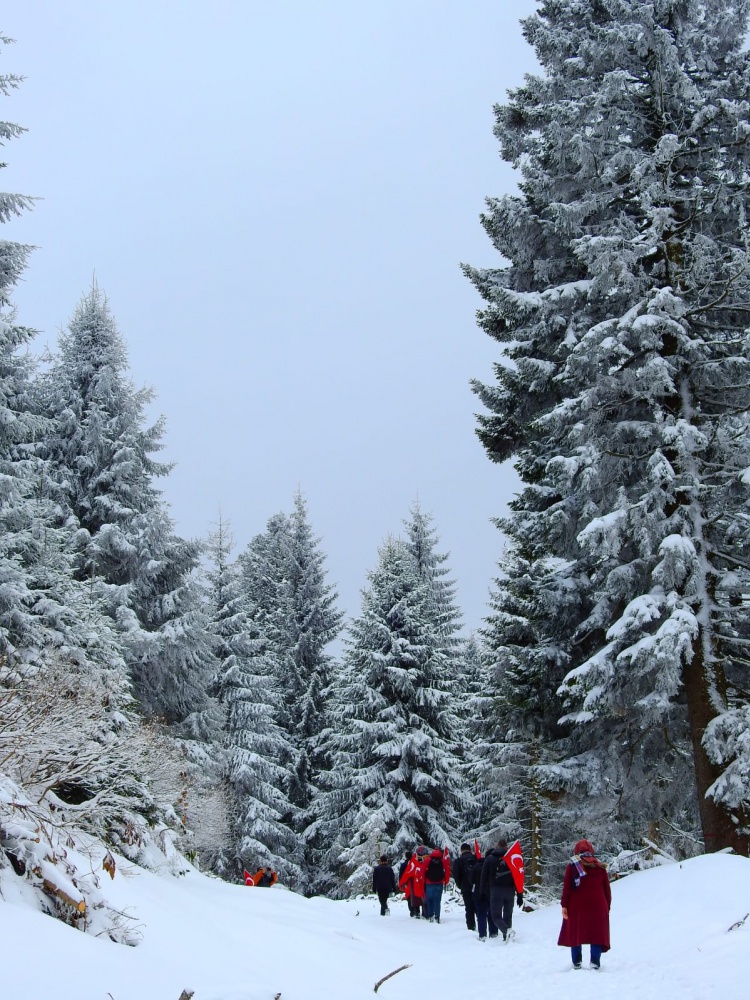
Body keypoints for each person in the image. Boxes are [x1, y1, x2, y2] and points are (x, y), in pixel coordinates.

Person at [558, 839, 611, 970]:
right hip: (598, 905)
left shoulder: (573, 866)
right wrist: (607, 906)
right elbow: (607, 889)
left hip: (577, 906)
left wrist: (564, 905)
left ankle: (576, 962)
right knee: (596, 933)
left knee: (576, 932)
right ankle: (595, 962)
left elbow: (567, 888)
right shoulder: (600, 867)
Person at [480, 839, 523, 942]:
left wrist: (482, 892)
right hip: (510, 890)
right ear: (506, 847)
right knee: (508, 915)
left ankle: (506, 931)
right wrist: (520, 895)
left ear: (497, 846)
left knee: (496, 916)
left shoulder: (490, 859)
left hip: (496, 890)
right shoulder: (511, 858)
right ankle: (507, 938)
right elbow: (518, 876)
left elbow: (483, 877)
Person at [471, 852, 498, 941]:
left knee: (481, 914)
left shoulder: (476, 866)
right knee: (492, 913)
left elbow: (471, 880)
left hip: (478, 892)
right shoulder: (492, 866)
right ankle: (493, 933)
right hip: (490, 892)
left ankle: (482, 934)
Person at [453, 843, 479, 931]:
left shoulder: (458, 861)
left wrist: (460, 885)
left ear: (461, 851)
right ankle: (482, 926)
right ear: (470, 850)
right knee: (478, 907)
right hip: (477, 887)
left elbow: (456, 875)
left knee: (469, 908)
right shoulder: (476, 859)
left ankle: (471, 927)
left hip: (465, 887)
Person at [422, 848, 451, 924]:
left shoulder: (427, 860)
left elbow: (422, 871)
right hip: (439, 883)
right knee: (437, 901)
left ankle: (431, 915)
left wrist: (424, 880)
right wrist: (446, 880)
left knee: (429, 900)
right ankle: (437, 916)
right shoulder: (443, 861)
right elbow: (447, 871)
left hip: (429, 883)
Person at [398, 848, 426, 918]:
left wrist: (402, 883)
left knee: (410, 897)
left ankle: (413, 911)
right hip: (417, 882)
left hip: (410, 883)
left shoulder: (406, 864)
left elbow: (402, 875)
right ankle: (419, 911)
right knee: (418, 896)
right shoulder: (417, 863)